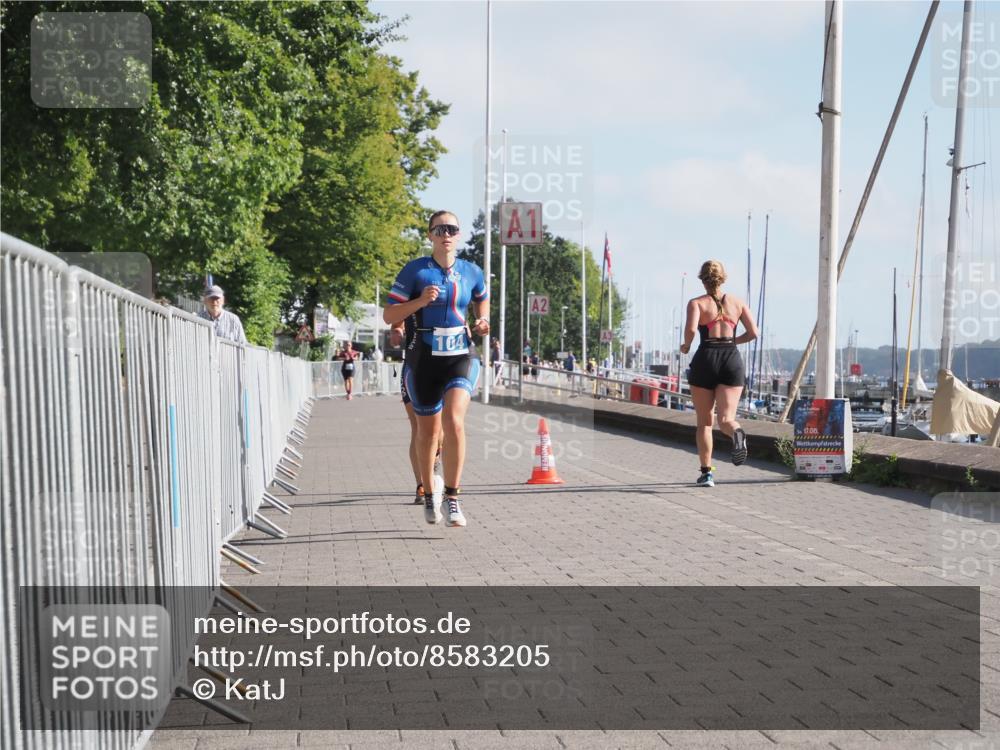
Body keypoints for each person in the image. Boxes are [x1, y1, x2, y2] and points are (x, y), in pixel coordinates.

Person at [383, 210, 489, 528]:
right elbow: (389, 315)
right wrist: (419, 302)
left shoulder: (471, 271)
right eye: (439, 229)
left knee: (454, 421)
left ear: (459, 235)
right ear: (430, 234)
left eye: (452, 229)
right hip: (424, 357)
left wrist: (483, 320)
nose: (446, 234)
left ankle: (453, 498)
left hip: (460, 355)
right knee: (427, 433)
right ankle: (430, 494)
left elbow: (482, 298)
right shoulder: (416, 271)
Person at [680, 260, 758, 487]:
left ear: (702, 279)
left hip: (706, 359)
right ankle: (736, 433)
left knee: (705, 423)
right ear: (722, 278)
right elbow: (753, 333)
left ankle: (707, 474)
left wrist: (686, 345)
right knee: (726, 420)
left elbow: (691, 329)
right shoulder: (738, 303)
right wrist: (732, 341)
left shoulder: (696, 303)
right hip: (731, 360)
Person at [390, 321, 444, 506]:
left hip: (445, 364)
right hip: (415, 364)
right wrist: (396, 331)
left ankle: (435, 453)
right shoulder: (412, 300)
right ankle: (421, 485)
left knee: (440, 428)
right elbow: (395, 320)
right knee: (418, 427)